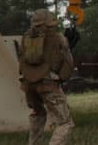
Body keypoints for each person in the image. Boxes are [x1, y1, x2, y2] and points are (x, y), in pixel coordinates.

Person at [17, 8, 75, 145]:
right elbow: (67, 65)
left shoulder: (25, 37)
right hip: (47, 85)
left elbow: (21, 61)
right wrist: (67, 47)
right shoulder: (57, 38)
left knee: (38, 114)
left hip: (28, 85)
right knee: (65, 123)